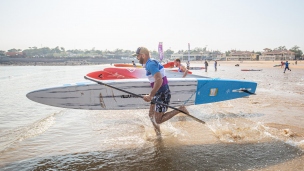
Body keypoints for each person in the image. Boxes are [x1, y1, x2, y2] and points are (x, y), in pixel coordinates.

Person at [132, 47, 189, 136]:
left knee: (158, 120)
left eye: (138, 56)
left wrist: (151, 95)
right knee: (151, 115)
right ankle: (158, 134)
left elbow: (159, 80)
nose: (137, 58)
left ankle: (180, 109)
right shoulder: (151, 62)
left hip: (162, 93)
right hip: (158, 92)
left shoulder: (150, 64)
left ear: (143, 55)